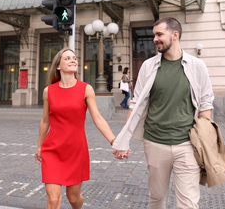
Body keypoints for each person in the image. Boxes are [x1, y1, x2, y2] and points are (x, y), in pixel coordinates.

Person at [112, 17, 214, 209]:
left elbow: (206, 103)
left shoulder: (197, 66)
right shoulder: (148, 66)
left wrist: (204, 139)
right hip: (155, 142)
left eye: (159, 34)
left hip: (187, 144)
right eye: (154, 35)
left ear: (175, 35)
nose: (155, 39)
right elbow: (136, 104)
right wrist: (123, 140)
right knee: (157, 198)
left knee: (189, 203)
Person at [35, 48, 116, 209]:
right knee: (53, 201)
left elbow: (98, 118)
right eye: (67, 58)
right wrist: (39, 146)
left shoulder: (86, 89)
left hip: (75, 151)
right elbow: (45, 120)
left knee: (73, 198)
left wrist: (114, 141)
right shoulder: (48, 91)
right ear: (58, 66)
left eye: (74, 58)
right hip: (52, 150)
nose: (73, 60)